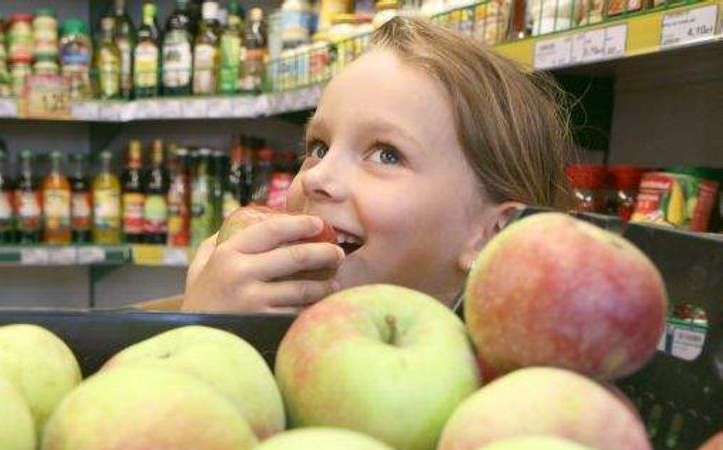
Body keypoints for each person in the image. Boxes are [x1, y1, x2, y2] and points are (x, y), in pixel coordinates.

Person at [181, 16, 570, 313]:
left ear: (491, 235)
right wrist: (204, 323)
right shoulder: (278, 327)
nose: (317, 177)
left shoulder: (506, 396)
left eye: (386, 154)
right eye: (318, 147)